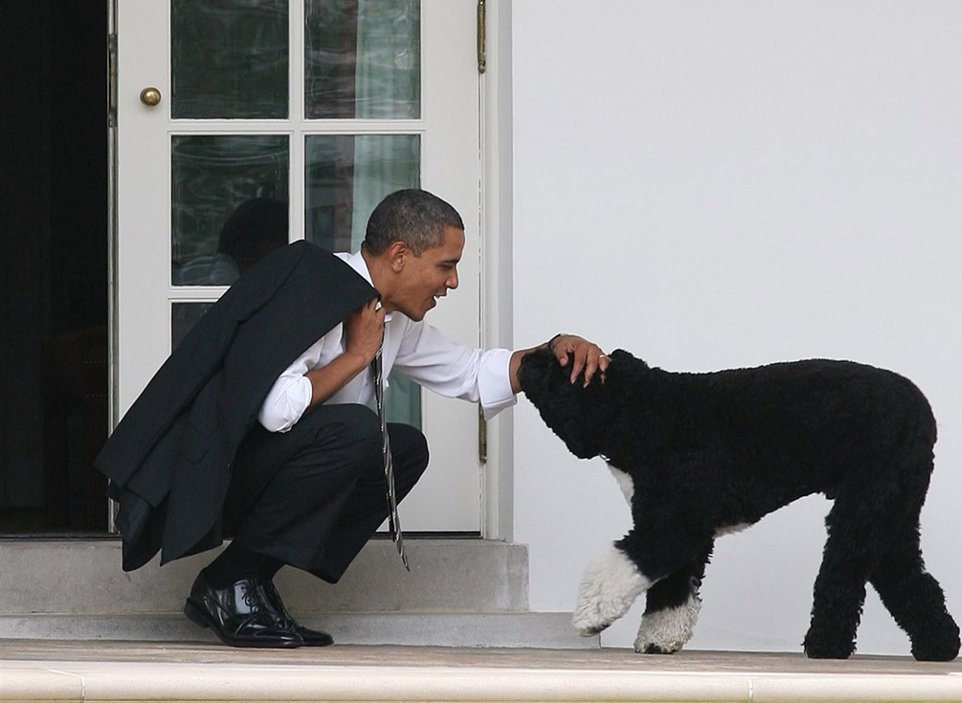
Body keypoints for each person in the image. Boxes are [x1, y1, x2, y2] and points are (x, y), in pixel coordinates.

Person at [96, 188, 608, 649]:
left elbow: (470, 371)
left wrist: (552, 352)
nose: (452, 281)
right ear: (400, 257)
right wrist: (357, 356)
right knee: (358, 431)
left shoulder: (389, 314)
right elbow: (275, 411)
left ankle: (239, 577)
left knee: (405, 448)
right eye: (445, 265)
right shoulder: (315, 285)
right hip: (211, 478)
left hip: (268, 473)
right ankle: (231, 584)